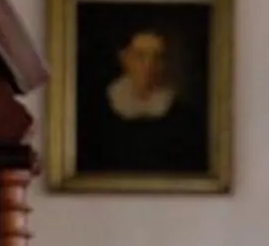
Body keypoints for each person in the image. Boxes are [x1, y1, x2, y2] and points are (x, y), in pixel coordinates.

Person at [78, 21, 208, 178]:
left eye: (157, 58)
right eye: (140, 56)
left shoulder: (184, 117)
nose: (149, 65)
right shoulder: (96, 112)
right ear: (124, 58)